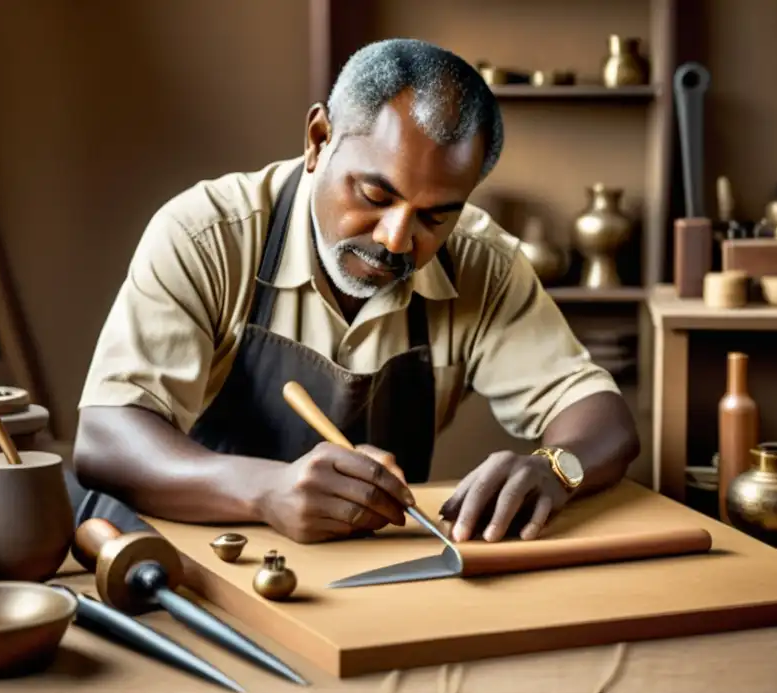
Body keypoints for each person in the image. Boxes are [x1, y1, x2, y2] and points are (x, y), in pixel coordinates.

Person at [70, 38, 640, 546]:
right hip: (202, 555)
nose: (397, 239)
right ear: (319, 141)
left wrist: (554, 467)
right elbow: (107, 439)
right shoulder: (208, 234)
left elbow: (602, 418)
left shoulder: (480, 263)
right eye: (374, 195)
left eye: (436, 216)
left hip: (370, 567)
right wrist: (266, 489)